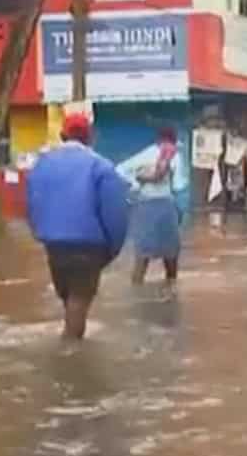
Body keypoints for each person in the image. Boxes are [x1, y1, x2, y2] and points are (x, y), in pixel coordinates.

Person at [27, 111, 129, 340]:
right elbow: (115, 215)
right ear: (91, 137)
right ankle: (70, 356)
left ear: (63, 135)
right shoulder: (101, 167)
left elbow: (32, 206)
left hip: (54, 245)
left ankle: (69, 349)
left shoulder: (41, 165)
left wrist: (41, 235)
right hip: (88, 245)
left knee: (69, 300)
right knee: (79, 301)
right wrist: (111, 250)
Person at [115, 125, 187, 284]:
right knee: (171, 255)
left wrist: (136, 184)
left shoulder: (147, 153)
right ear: (173, 139)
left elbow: (120, 169)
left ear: (158, 139)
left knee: (142, 254)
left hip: (144, 206)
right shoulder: (175, 155)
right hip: (166, 206)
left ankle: (137, 291)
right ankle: (171, 291)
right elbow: (178, 186)